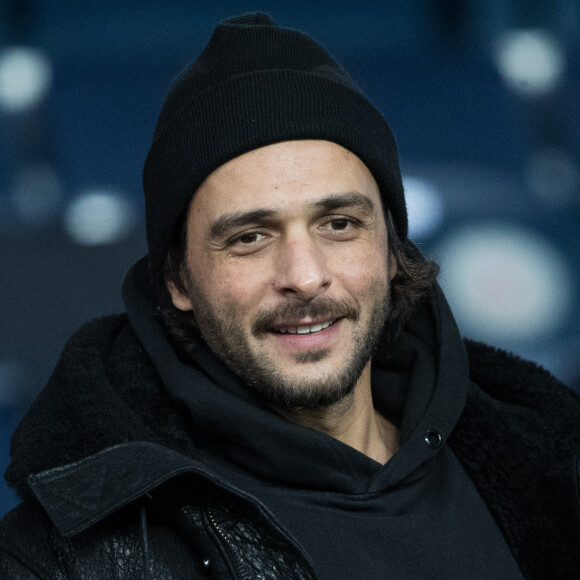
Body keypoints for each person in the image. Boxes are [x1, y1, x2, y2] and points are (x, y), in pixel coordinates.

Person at [0, 12, 579, 580]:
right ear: (177, 279)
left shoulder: (546, 470)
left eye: (339, 224)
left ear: (389, 246)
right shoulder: (64, 560)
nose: (304, 277)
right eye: (250, 237)